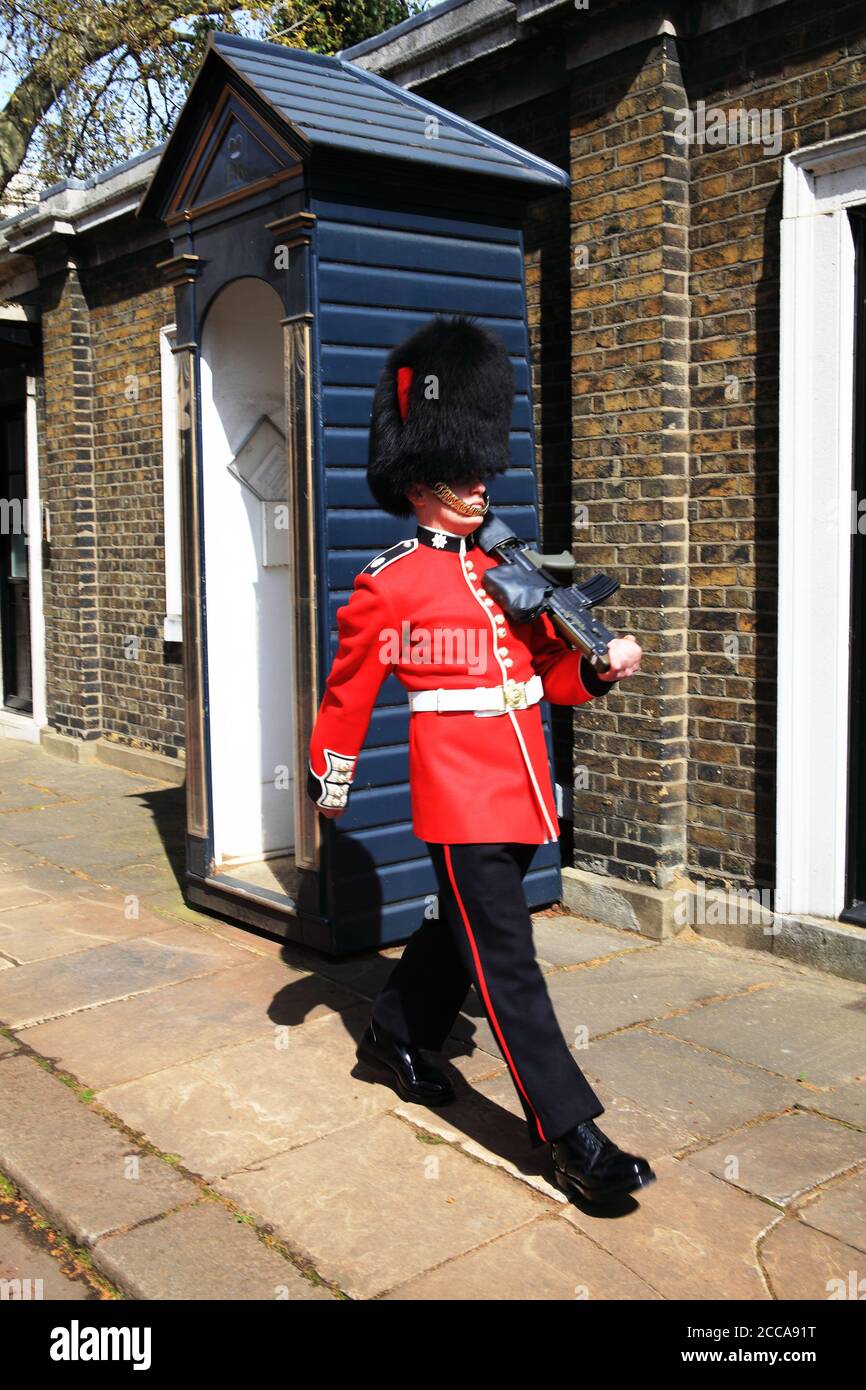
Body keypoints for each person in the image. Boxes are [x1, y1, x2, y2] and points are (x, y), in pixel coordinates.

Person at [307, 313, 655, 1205]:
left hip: (524, 779)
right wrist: (332, 772)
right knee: (508, 959)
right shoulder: (390, 582)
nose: (477, 486)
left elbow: (544, 675)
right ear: (418, 482)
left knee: (465, 928)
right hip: (458, 787)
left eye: (479, 471)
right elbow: (350, 690)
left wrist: (595, 665)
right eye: (459, 475)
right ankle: (571, 1134)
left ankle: (394, 1030)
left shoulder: (509, 563)